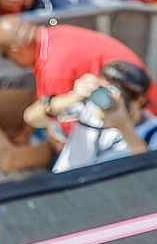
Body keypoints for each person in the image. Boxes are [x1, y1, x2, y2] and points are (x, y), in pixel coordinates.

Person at [24, 60, 157, 172]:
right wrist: (75, 97)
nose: (113, 98)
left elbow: (149, 176)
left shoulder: (152, 132)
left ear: (140, 100)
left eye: (121, 93)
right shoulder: (90, 108)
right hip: (63, 192)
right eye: (107, 90)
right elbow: (31, 118)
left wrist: (124, 128)